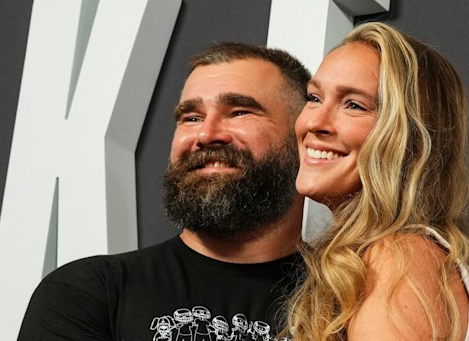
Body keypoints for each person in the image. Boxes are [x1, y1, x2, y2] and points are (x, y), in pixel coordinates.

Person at [17, 42, 310, 341]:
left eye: (239, 112)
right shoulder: (89, 294)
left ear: (304, 138)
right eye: (191, 118)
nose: (206, 135)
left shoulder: (348, 300)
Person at [285, 22, 469, 340]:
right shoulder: (392, 256)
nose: (314, 122)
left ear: (412, 138)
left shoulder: (397, 260)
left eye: (354, 105)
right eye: (313, 98)